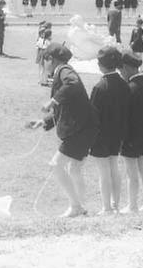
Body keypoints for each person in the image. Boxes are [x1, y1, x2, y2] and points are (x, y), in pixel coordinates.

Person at [32, 43, 98, 217]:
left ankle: (76, 206)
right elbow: (64, 109)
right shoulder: (62, 71)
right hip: (85, 127)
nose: (44, 65)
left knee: (56, 165)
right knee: (74, 169)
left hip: (80, 130)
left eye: (44, 60)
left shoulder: (64, 70)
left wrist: (53, 100)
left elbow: (73, 83)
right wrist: (43, 122)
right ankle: (80, 206)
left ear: (50, 59)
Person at [89, 47, 130, 214]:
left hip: (101, 135)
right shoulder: (124, 84)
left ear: (102, 65)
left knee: (103, 172)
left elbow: (92, 115)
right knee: (114, 168)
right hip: (118, 133)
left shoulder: (100, 87)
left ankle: (106, 207)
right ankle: (116, 204)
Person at [119, 51, 143, 212]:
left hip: (131, 136)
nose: (121, 72)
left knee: (131, 173)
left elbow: (125, 117)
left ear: (127, 68)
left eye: (122, 69)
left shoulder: (129, 88)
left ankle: (132, 204)